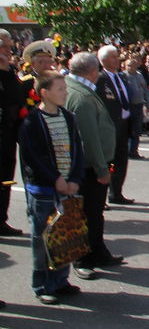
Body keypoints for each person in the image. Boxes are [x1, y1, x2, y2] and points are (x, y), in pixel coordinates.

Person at [17, 71, 84, 304]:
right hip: (44, 191)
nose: (65, 92)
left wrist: (75, 177)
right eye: (60, 89)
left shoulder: (68, 117)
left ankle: (60, 280)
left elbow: (77, 150)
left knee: (65, 235)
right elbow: (33, 157)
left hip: (67, 188)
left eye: (65, 88)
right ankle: (42, 283)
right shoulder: (32, 121)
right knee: (42, 238)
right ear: (44, 93)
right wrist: (55, 178)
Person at [65, 52, 123, 280]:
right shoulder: (81, 97)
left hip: (90, 164)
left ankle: (98, 252)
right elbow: (88, 138)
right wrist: (101, 169)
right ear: (91, 71)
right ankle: (83, 259)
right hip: (89, 167)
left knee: (95, 212)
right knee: (86, 213)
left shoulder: (80, 89)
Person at [96, 45, 134, 205]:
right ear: (104, 60)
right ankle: (100, 197)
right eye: (113, 57)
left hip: (124, 124)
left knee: (121, 159)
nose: (117, 59)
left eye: (117, 56)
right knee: (106, 161)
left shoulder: (122, 77)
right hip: (109, 126)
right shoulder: (100, 78)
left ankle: (116, 193)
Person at [0, 29, 25, 236]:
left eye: (9, 46)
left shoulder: (10, 72)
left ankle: (1, 218)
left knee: (6, 177)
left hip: (9, 133)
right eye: (5, 46)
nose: (9, 51)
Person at [123, 57, 149, 161]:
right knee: (126, 130)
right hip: (127, 106)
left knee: (137, 130)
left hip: (138, 105)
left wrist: (147, 104)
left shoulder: (139, 76)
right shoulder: (123, 76)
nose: (131, 67)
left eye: (133, 65)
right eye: (129, 65)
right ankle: (126, 151)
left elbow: (145, 90)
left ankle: (134, 151)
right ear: (125, 66)